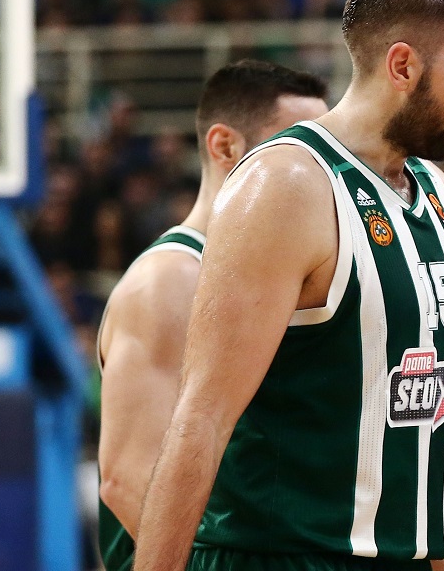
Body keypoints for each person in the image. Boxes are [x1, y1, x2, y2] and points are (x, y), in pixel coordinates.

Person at [133, 0, 444, 571]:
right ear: (402, 65)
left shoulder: (435, 192)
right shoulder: (287, 185)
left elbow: (420, 452)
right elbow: (201, 420)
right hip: (283, 556)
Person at [97, 59, 329, 571]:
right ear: (224, 146)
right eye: (295, 145)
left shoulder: (286, 269)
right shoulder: (171, 279)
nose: (316, 166)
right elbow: (128, 480)